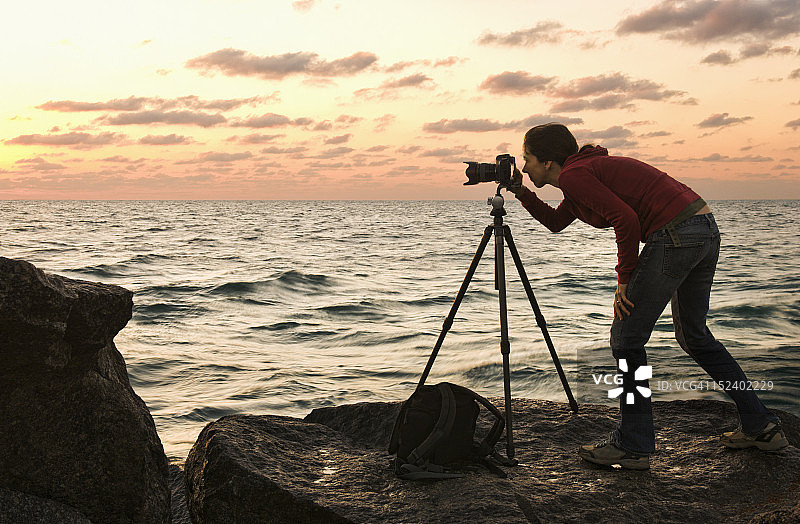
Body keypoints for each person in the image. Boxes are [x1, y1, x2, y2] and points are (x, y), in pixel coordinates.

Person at [508, 123, 788, 470]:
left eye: (528, 159)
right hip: (703, 228)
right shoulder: (583, 177)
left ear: (549, 162)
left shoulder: (576, 176)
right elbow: (555, 221)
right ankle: (761, 426)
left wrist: (624, 278)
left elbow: (624, 219)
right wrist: (520, 192)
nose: (524, 168)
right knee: (696, 337)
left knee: (626, 340)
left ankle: (633, 444)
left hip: (675, 234)